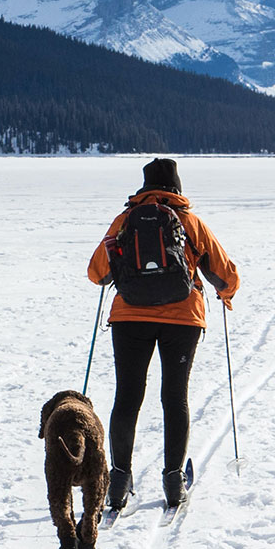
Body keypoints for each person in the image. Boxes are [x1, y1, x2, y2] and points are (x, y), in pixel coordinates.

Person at [87, 157, 239, 511]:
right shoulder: (189, 222)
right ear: (177, 187)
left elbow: (97, 273)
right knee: (175, 397)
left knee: (127, 397)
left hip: (129, 318)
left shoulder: (125, 221)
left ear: (144, 187)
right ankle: (173, 482)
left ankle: (119, 481)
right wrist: (225, 295)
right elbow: (225, 274)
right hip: (183, 320)